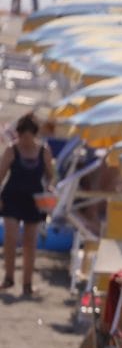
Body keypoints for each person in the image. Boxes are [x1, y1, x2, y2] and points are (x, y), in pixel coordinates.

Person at [0, 113, 57, 297]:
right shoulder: (12, 150)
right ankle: (8, 278)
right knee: (11, 237)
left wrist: (49, 188)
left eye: (27, 136)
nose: (24, 140)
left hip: (34, 200)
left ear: (34, 135)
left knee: (30, 242)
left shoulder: (43, 151)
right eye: (21, 136)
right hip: (12, 198)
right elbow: (1, 174)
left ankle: (27, 284)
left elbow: (51, 175)